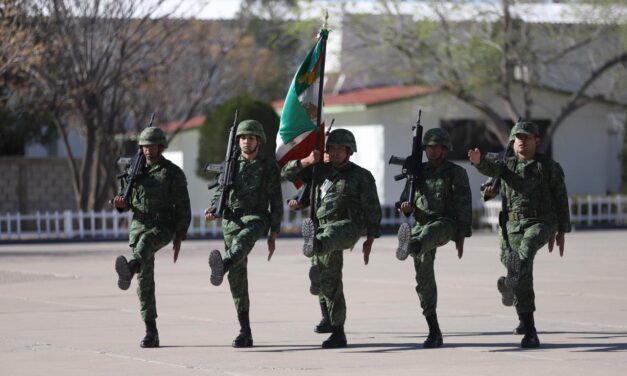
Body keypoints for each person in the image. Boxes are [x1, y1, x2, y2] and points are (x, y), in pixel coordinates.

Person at [468, 121, 571, 348]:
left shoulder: (548, 167)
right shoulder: (505, 164)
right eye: (518, 138)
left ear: (537, 141)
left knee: (527, 249)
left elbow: (561, 199)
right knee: (523, 278)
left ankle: (511, 283)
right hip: (511, 227)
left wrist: (562, 229)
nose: (522, 142)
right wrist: (478, 163)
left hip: (540, 223)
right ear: (513, 142)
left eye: (526, 137)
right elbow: (489, 177)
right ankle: (528, 326)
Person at [282, 129, 382, 349]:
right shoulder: (320, 172)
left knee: (329, 238)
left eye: (340, 149)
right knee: (329, 278)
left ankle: (315, 246)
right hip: (320, 227)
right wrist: (308, 160)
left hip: (348, 227)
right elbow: (287, 173)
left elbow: (372, 209)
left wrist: (370, 239)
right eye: (332, 148)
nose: (335, 152)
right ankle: (335, 328)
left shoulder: (361, 176)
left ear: (349, 151)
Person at [205, 119, 283, 348]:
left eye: (250, 137)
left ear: (259, 140)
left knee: (243, 240)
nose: (246, 141)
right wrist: (212, 210)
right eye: (242, 137)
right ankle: (245, 331)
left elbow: (276, 201)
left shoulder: (268, 166)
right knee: (237, 280)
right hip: (230, 220)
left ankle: (224, 263)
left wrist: (274, 233)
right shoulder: (229, 165)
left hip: (256, 218)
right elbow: (219, 193)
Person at [113, 127, 191, 348]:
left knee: (146, 243)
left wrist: (179, 236)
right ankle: (151, 332)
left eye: (152, 145)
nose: (148, 150)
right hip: (139, 224)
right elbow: (126, 202)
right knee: (144, 280)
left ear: (160, 146)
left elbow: (183, 206)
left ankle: (129, 267)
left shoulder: (172, 172)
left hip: (163, 225)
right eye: (144, 146)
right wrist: (120, 204)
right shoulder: (133, 171)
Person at [395, 127, 472, 349]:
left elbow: (464, 204)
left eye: (437, 146)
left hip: (446, 223)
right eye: (428, 146)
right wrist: (405, 208)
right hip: (420, 225)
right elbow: (404, 203)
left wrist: (462, 235)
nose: (432, 150)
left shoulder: (455, 172)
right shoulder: (416, 172)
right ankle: (434, 331)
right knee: (423, 279)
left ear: (445, 149)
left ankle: (411, 244)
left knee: (429, 233)